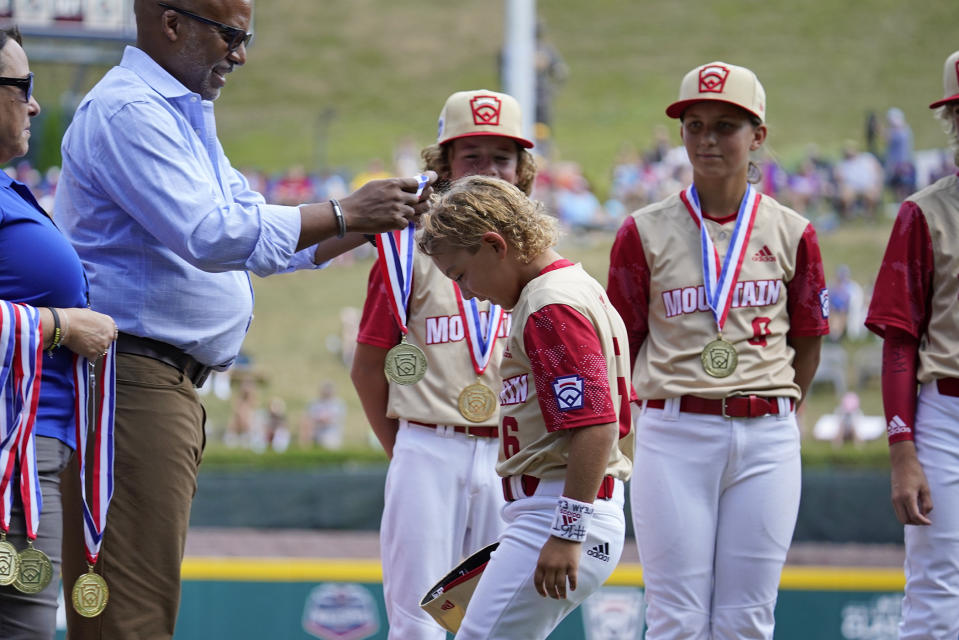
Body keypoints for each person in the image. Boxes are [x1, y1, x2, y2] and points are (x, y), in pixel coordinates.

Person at [53, 2, 435, 638]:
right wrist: (345, 211)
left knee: (141, 599)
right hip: (134, 381)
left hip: (155, 382)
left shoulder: (179, 111)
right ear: (171, 22)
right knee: (133, 611)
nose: (241, 53)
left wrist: (370, 220)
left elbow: (259, 240)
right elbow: (212, 235)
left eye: (246, 36)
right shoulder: (130, 111)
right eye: (230, 34)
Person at [607, 61, 829, 639]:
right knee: (676, 618)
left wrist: (779, 409)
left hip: (768, 435)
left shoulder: (792, 230)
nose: (707, 139)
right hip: (674, 430)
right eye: (695, 124)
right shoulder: (643, 230)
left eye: (726, 125)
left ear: (757, 135)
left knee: (748, 619)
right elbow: (621, 343)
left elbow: (806, 341)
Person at [349, 88, 536, 640]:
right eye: (470, 155)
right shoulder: (408, 249)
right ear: (444, 165)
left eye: (501, 157)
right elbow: (368, 367)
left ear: (522, 168)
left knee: (493, 623)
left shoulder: (535, 253)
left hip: (510, 458)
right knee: (420, 625)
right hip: (430, 447)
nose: (487, 170)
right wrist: (409, 449)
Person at [418, 175, 633, 639]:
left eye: (460, 274)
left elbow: (596, 425)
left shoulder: (547, 304)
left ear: (495, 245)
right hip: (563, 506)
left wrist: (567, 530)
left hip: (562, 507)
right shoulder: (567, 288)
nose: (467, 292)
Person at [0, 26, 117, 638]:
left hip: (30, 452)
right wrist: (60, 324)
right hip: (10, 453)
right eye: (24, 86)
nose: (35, 104)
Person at [864, 49, 959, 640]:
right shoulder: (923, 214)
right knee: (936, 590)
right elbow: (899, 342)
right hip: (947, 412)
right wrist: (903, 450)